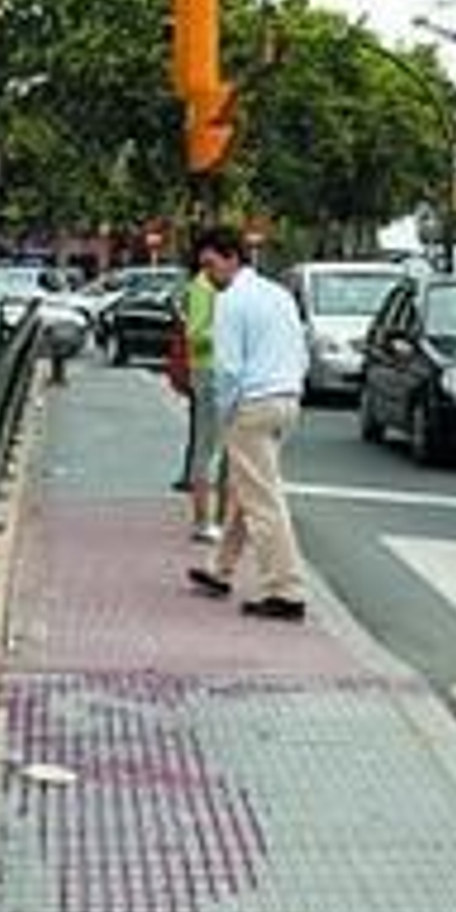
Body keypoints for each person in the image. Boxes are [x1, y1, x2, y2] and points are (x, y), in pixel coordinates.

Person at [186, 225, 309, 621]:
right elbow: (301, 348)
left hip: (252, 404)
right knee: (247, 489)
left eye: (210, 265)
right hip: (286, 398)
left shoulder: (229, 302)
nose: (208, 276)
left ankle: (286, 590)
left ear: (232, 257)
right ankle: (220, 568)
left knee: (262, 500)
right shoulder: (278, 294)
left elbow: (228, 370)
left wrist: (225, 415)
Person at [182, 256, 226, 543]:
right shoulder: (202, 286)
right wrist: (228, 333)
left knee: (216, 446)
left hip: (215, 369)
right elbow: (196, 333)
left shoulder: (209, 286)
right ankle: (203, 519)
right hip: (208, 369)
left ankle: (217, 517)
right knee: (208, 446)